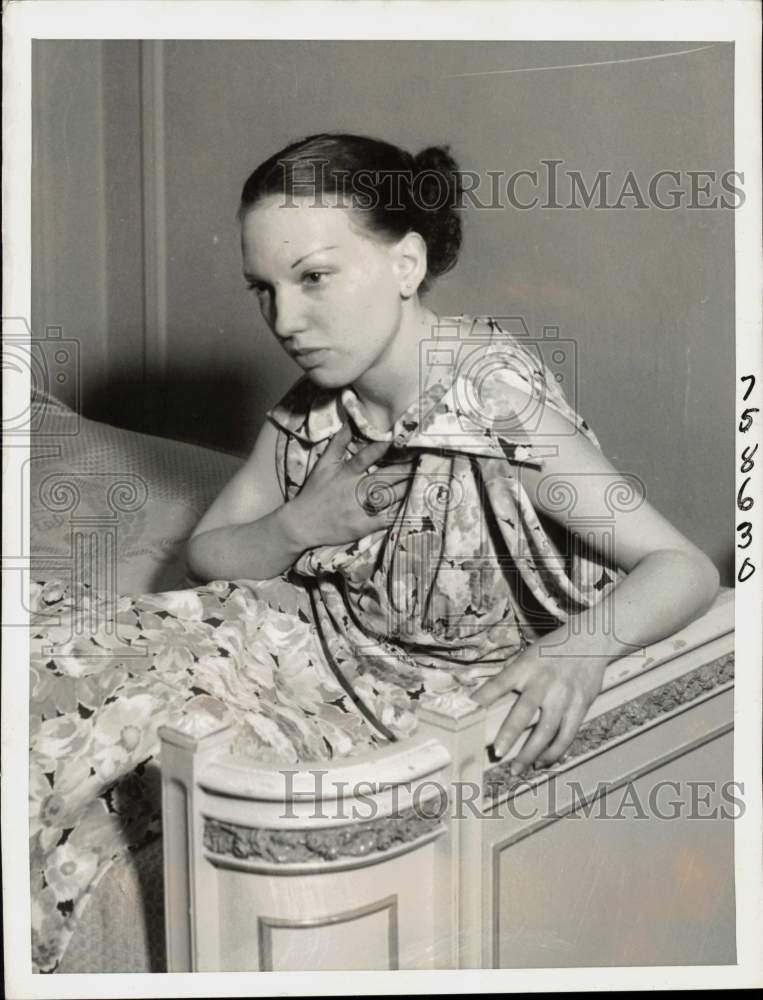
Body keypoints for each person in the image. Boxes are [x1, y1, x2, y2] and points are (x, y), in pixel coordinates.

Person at [29, 132, 720, 972]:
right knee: (62, 677)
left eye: (313, 277)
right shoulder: (317, 404)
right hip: (318, 645)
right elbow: (210, 554)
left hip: (431, 697)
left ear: (405, 263)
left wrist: (579, 649)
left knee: (130, 738)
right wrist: (298, 526)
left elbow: (683, 566)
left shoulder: (492, 395)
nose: (284, 320)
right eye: (264, 289)